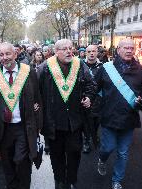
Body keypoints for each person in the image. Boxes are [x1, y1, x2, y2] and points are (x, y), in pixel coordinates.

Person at [38, 39, 97, 189]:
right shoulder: (45, 68)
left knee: (75, 152)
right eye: (64, 49)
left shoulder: (79, 64)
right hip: (54, 122)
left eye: (70, 48)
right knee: (56, 154)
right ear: (56, 51)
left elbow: (91, 84)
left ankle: (71, 178)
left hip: (74, 121)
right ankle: (59, 180)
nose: (69, 51)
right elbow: (35, 89)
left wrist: (89, 97)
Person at [0, 42, 42, 189]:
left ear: (15, 54)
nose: (4, 58)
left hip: (23, 126)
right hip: (3, 128)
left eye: (8, 54)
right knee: (7, 162)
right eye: (1, 54)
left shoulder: (28, 73)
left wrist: (38, 124)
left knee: (21, 160)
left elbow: (38, 99)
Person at [95, 38, 142, 189]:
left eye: (131, 48)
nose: (129, 50)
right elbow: (94, 88)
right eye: (125, 48)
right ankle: (102, 158)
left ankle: (116, 180)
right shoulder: (106, 68)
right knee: (107, 148)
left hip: (128, 119)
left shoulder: (141, 70)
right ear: (118, 50)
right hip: (109, 117)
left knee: (123, 153)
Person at [82, 45, 103, 153]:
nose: (91, 53)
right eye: (89, 51)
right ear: (86, 53)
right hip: (85, 99)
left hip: (98, 99)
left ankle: (94, 135)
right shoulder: (81, 65)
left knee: (96, 121)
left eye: (93, 51)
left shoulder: (102, 66)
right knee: (85, 121)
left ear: (97, 52)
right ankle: (86, 140)